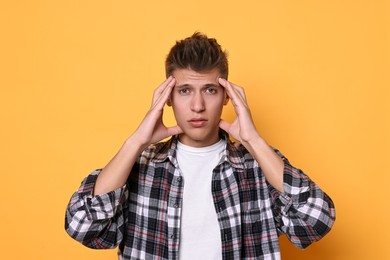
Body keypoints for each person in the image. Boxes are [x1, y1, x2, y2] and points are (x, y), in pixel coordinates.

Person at [65, 32, 335, 260]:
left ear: (228, 97)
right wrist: (136, 142)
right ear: (167, 97)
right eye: (184, 91)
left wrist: (253, 140)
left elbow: (315, 222)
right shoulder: (140, 165)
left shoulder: (257, 165)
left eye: (209, 90)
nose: (197, 106)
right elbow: (83, 226)